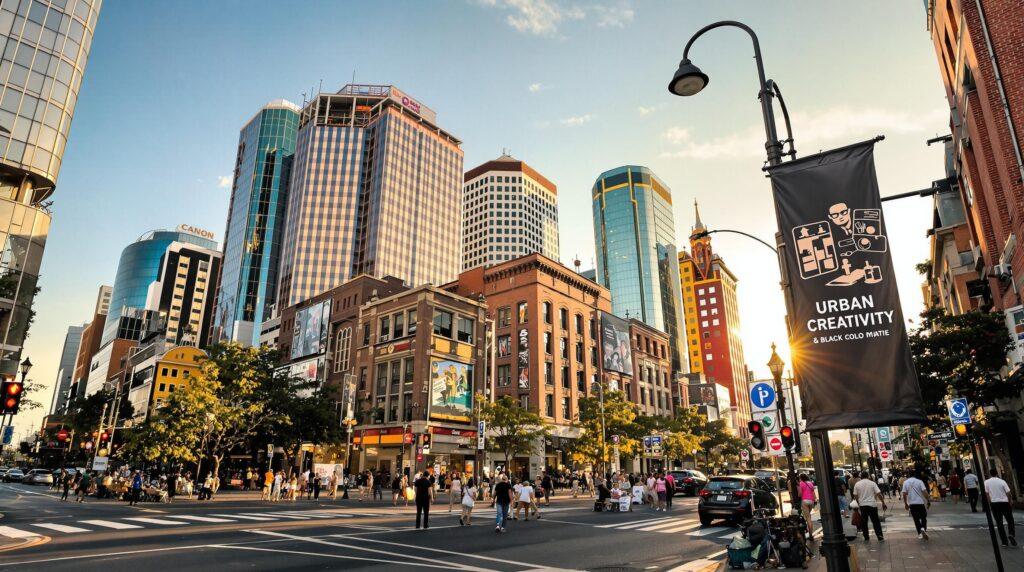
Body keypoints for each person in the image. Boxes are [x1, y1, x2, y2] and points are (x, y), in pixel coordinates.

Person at [985, 468, 1016, 547]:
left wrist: (990, 502)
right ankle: (1011, 534)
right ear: (997, 473)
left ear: (990, 474)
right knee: (1010, 520)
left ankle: (1004, 542)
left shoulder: (986, 482)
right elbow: (1008, 493)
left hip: (994, 503)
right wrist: (1010, 501)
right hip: (1004, 503)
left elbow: (987, 494)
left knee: (999, 523)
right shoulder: (1002, 481)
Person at [852, 471, 886, 541]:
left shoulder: (857, 484)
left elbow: (855, 495)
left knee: (864, 522)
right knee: (876, 521)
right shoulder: (872, 483)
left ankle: (866, 536)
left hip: (863, 505)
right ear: (868, 476)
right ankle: (879, 535)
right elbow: (879, 493)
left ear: (861, 476)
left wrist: (858, 503)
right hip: (872, 505)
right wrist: (883, 502)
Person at [901, 470, 931, 540]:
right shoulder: (919, 481)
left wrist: (905, 504)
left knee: (916, 519)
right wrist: (928, 500)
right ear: (915, 474)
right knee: (923, 517)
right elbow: (924, 492)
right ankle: (923, 528)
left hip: (912, 504)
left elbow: (904, 494)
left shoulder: (905, 482)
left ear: (908, 474)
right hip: (920, 503)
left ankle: (920, 534)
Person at [798, 473, 817, 539]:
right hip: (811, 501)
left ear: (801, 478)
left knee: (808, 518)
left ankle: (810, 535)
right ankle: (810, 533)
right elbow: (813, 492)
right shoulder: (810, 483)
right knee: (809, 517)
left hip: (805, 501)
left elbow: (800, 494)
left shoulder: (801, 483)